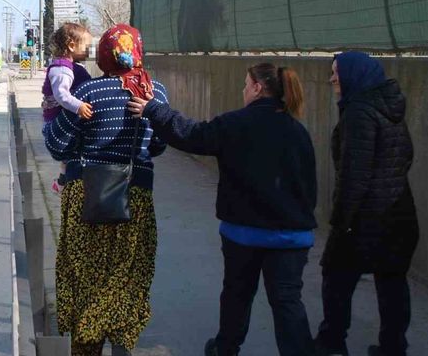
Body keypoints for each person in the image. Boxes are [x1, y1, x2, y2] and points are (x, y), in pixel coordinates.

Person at [128, 63, 317, 356]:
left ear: (257, 88)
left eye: (245, 85)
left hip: (245, 234)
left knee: (237, 295)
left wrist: (154, 109)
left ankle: (225, 348)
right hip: (291, 237)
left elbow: (192, 135)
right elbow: (309, 187)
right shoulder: (298, 131)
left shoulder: (236, 124)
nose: (243, 90)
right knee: (287, 301)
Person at [44, 24, 168, 356]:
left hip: (87, 195)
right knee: (127, 276)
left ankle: (86, 345)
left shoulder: (88, 92)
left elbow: (56, 145)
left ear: (104, 54)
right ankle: (122, 342)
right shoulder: (156, 93)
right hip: (136, 196)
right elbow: (158, 145)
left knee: (85, 275)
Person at [315, 52, 419, 356]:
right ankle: (393, 347)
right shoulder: (389, 107)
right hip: (399, 214)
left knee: (335, 275)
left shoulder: (359, 113)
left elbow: (353, 176)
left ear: (353, 75)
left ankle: (331, 342)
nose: (332, 78)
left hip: (365, 220)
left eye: (336, 72)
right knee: (392, 282)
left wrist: (340, 222)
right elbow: (406, 156)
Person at [42, 22, 93, 194]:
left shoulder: (70, 67)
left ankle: (62, 181)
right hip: (56, 123)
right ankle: (64, 181)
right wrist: (78, 106)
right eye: (87, 46)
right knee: (71, 154)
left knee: (70, 157)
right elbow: (62, 95)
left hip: (59, 121)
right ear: (72, 45)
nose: (89, 51)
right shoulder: (62, 69)